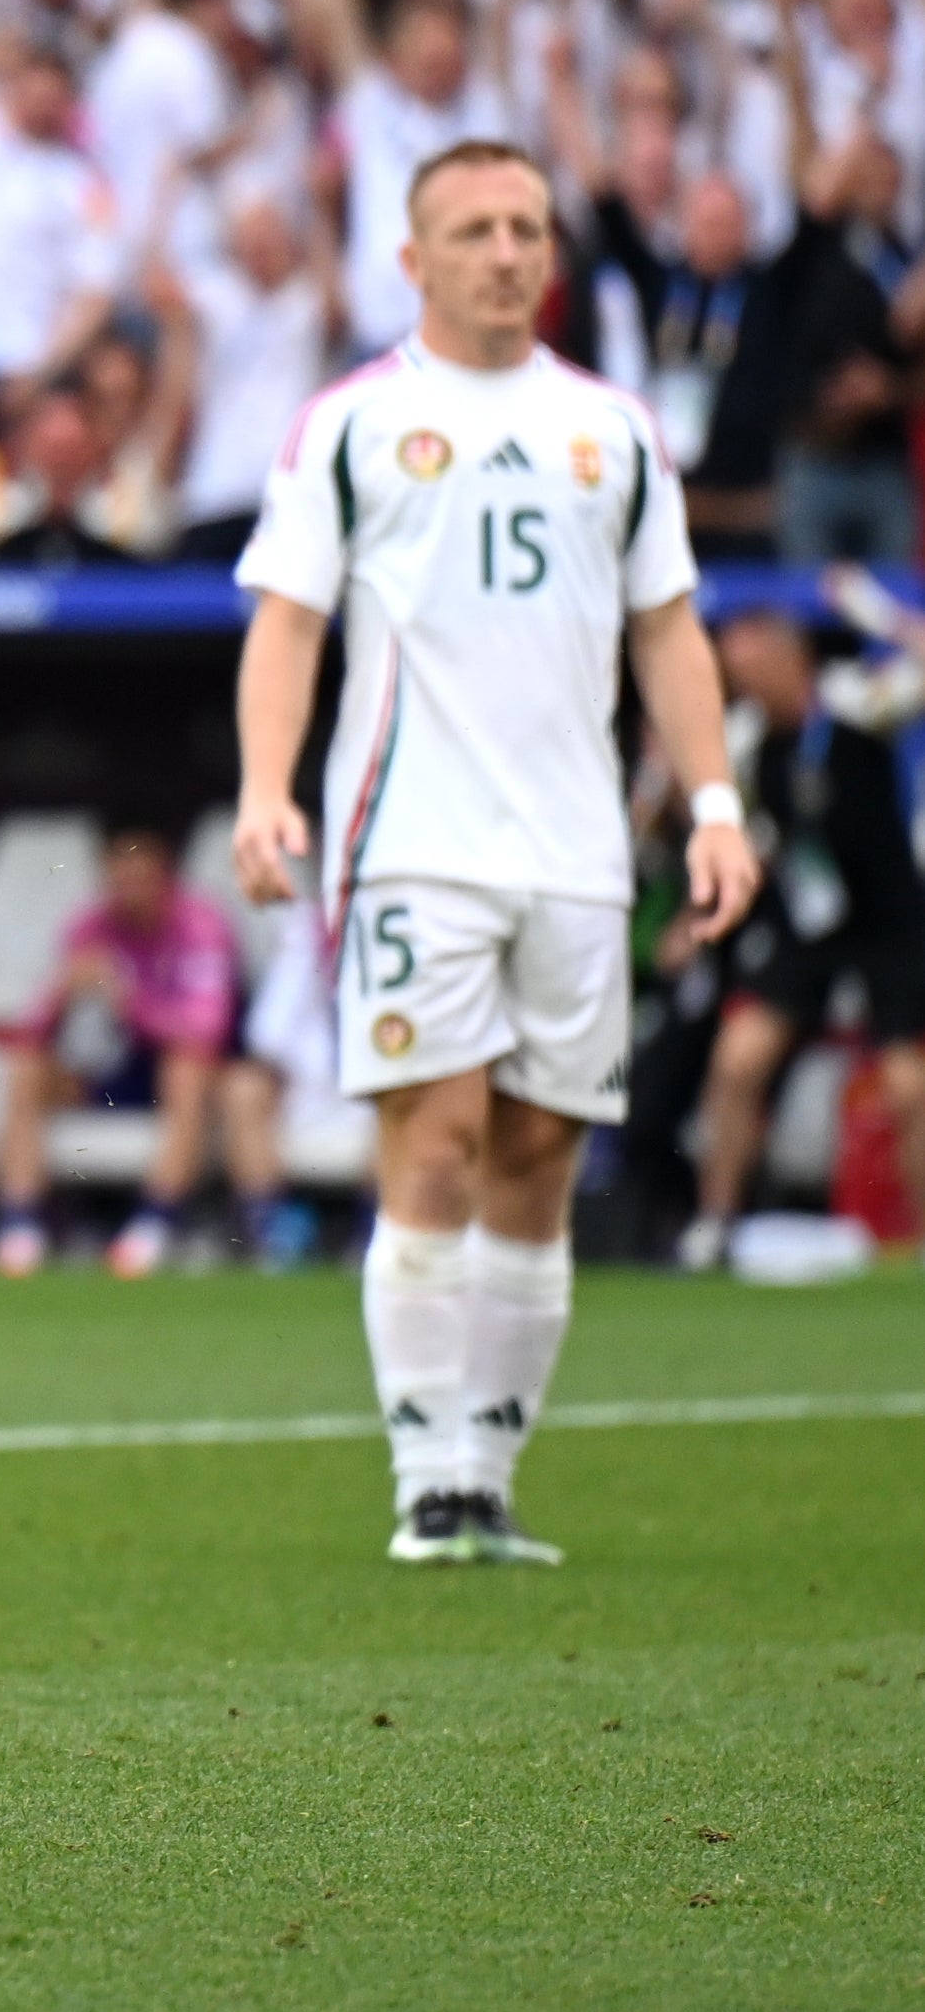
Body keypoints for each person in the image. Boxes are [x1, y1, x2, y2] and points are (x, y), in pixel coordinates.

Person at [231, 138, 754, 1572]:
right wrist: (264, 789)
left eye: (525, 227)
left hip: (578, 851)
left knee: (535, 1160)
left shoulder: (615, 429)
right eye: (472, 230)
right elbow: (285, 619)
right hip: (410, 843)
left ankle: (488, 1477)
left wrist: (711, 806)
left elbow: (668, 629)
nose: (506, 253)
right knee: (437, 1139)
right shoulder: (347, 421)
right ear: (412, 260)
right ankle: (425, 1480)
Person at [679, 606, 925, 1271]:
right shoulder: (746, 741)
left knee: (909, 1087)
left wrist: (884, 614)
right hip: (806, 928)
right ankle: (715, 1222)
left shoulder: (858, 707)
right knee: (737, 1062)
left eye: (753, 664)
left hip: (888, 921)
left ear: (792, 659)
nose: (744, 680)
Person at [0, 819, 284, 1278]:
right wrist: (61, 994)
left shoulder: (200, 925)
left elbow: (205, 1032)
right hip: (122, 1069)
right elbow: (37, 1031)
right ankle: (19, 1225)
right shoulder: (91, 924)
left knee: (185, 1069)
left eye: (139, 878)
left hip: (204, 1072)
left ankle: (154, 1223)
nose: (128, 891)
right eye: (117, 879)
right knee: (27, 1067)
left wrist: (127, 999)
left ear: (165, 877)